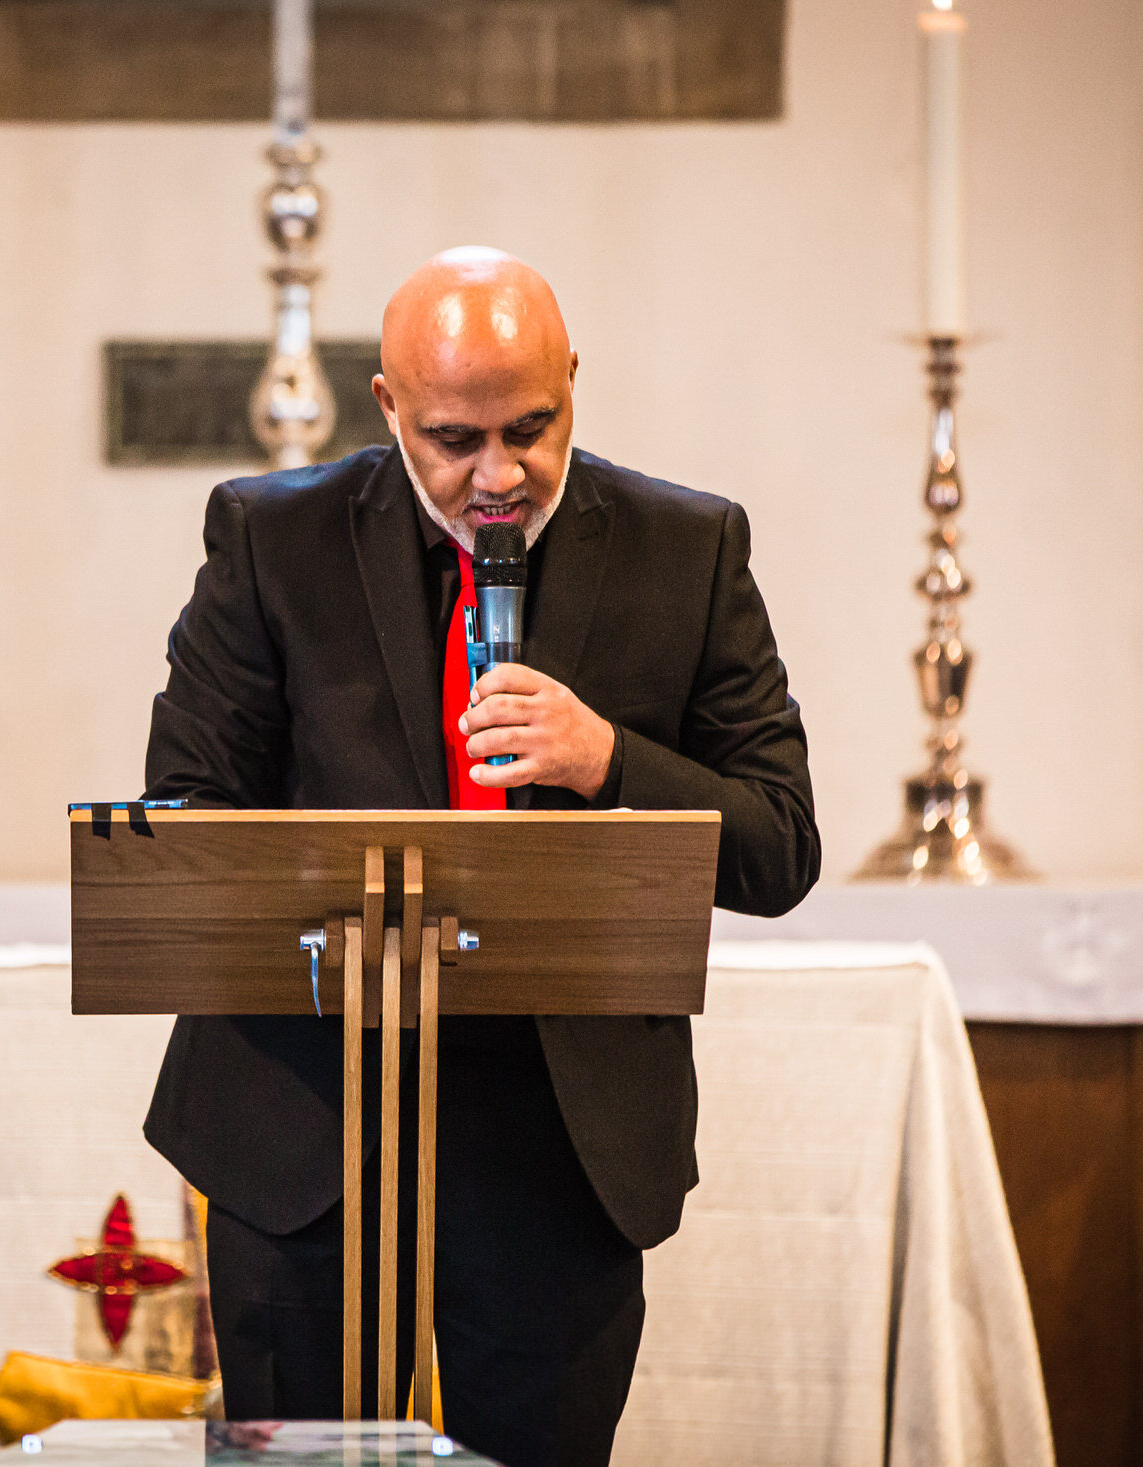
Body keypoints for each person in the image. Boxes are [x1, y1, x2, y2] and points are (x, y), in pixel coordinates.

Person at [141, 247, 819, 1467]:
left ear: (572, 380)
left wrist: (609, 756)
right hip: (307, 1124)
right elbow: (189, 813)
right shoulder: (268, 538)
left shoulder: (690, 547)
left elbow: (780, 844)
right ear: (389, 406)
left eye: (532, 428)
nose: (497, 477)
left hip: (557, 1135)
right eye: (455, 439)